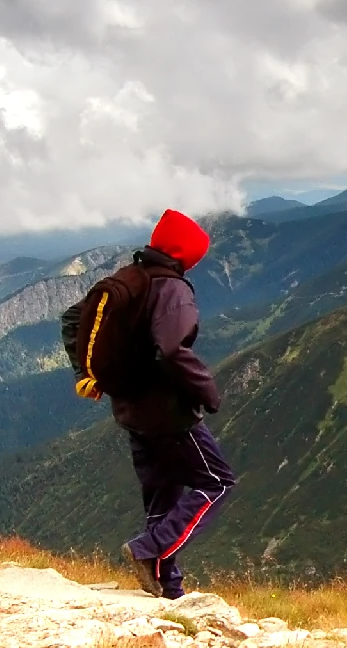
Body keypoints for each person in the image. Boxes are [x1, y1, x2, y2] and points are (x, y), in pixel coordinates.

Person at [64, 209, 235, 600]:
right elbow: (173, 352)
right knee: (217, 482)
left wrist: (85, 376)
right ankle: (148, 548)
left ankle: (167, 587)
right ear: (186, 254)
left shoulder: (129, 279)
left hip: (130, 409)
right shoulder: (172, 290)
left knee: (162, 494)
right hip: (168, 414)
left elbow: (73, 320)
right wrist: (208, 391)